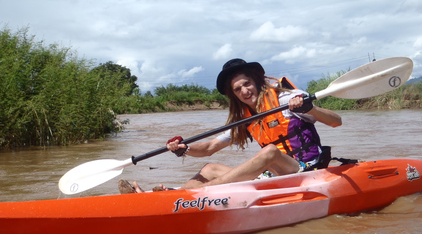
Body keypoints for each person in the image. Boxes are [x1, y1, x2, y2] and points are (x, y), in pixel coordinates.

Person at [119, 58, 341, 194]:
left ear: (256, 81)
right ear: (234, 95)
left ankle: (196, 194)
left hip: (307, 170)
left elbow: (336, 121)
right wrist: (184, 147)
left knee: (269, 151)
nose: (245, 91)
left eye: (247, 84)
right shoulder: (243, 119)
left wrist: (308, 109)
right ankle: (167, 198)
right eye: (237, 89)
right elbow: (209, 148)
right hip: (274, 174)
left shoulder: (287, 99)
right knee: (209, 169)